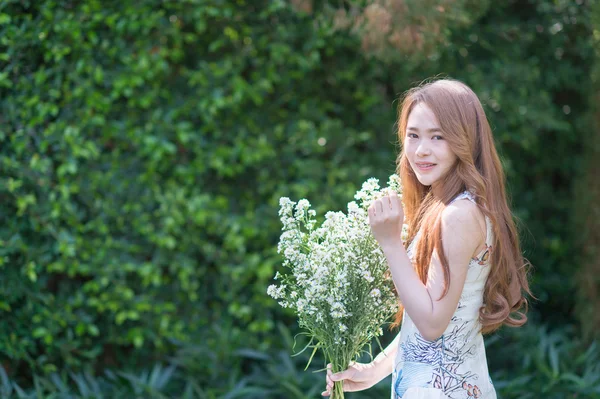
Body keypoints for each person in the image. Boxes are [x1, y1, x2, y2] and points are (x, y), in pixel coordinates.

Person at [322, 79, 532, 399]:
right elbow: (428, 327)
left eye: (438, 137)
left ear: (466, 140)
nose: (421, 150)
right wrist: (373, 370)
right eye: (413, 135)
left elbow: (433, 325)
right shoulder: (451, 206)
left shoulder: (458, 214)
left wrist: (391, 242)